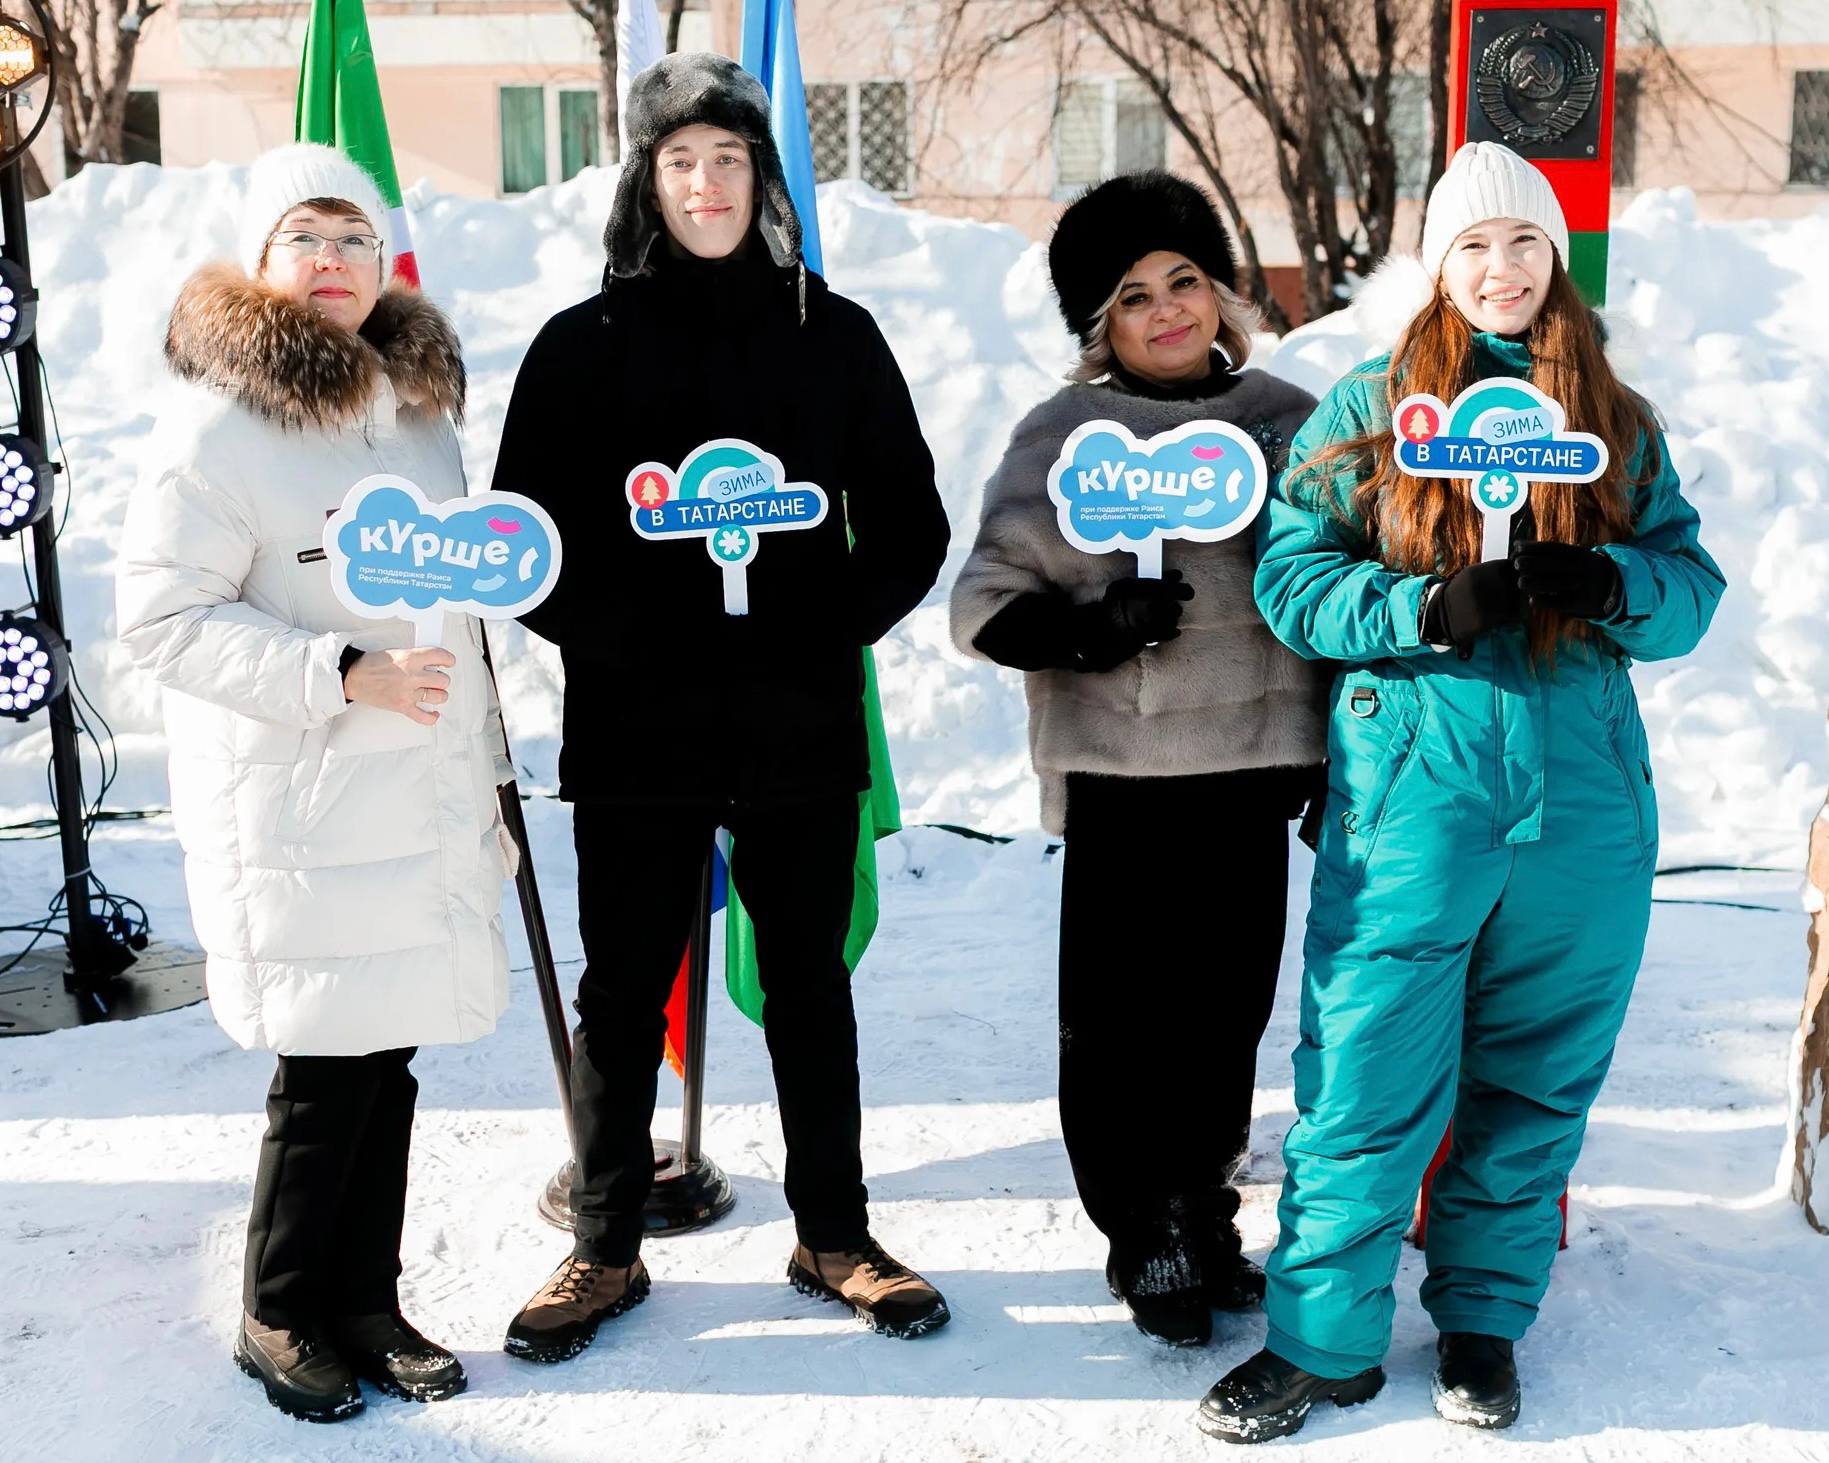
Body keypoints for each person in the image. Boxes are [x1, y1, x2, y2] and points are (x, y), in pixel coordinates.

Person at [1197, 142, 1727, 1443]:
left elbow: (1688, 584)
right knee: (1368, 1065)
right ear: (1438, 265)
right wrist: (1422, 602)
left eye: (1525, 244)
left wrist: (1615, 586)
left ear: (1556, 260)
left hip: (1583, 794)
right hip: (1418, 785)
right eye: (1474, 246)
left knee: (1537, 1072)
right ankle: (1323, 1338)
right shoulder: (1368, 410)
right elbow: (1292, 579)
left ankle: (1483, 1315)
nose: (1501, 269)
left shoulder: (1613, 418)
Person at [491, 53, 952, 1360]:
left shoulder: (833, 334)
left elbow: (912, 522)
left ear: (764, 180)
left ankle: (835, 1229)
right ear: (648, 177)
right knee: (624, 988)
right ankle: (601, 1244)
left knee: (809, 983)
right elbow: (528, 542)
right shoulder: (580, 349)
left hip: (798, 727)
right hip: (638, 731)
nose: (706, 184)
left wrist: (830, 620)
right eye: (681, 160)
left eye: (729, 160)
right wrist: (621, 628)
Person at [117, 144, 513, 1422]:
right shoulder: (217, 424)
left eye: (353, 236)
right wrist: (337, 672)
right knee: (321, 1070)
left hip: (415, 793)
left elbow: (456, 600)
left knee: (385, 1060)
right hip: (304, 801)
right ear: (265, 262)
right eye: (306, 238)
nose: (333, 260)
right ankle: (279, 1306)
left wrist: (487, 768)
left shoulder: (416, 410)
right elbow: (161, 622)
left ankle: (366, 1298)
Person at [950, 171, 1327, 1348]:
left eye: (1182, 282)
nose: (1166, 310)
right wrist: (1088, 628)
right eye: (1130, 296)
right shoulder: (1066, 437)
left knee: (1224, 1013)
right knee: (1121, 1024)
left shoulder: (1290, 417)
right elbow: (982, 603)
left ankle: (1201, 1210)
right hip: (1125, 778)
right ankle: (1140, 1226)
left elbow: (1342, 581)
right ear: (1096, 328)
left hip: (1253, 770)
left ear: (1219, 292)